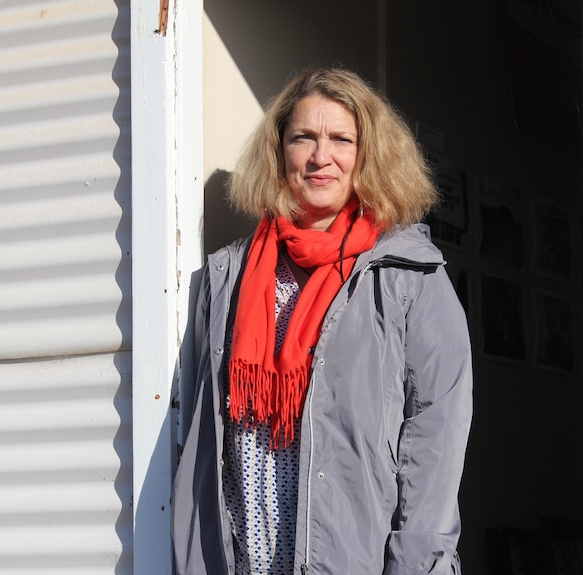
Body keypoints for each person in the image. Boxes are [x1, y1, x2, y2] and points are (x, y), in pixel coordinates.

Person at [172, 66, 473, 575]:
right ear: (279, 151)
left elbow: (435, 445)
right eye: (303, 138)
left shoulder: (411, 276)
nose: (320, 157)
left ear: (368, 155)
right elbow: (203, 439)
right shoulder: (229, 274)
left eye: (341, 139)